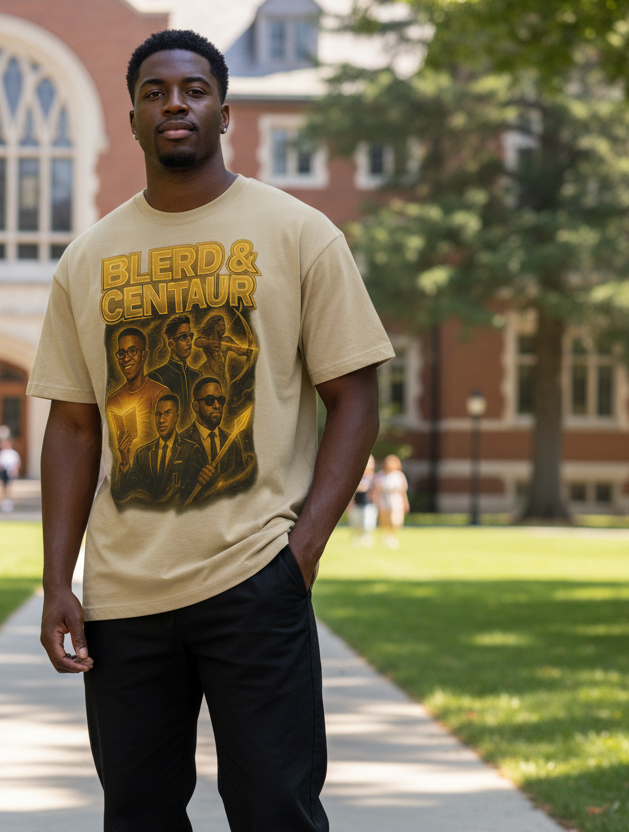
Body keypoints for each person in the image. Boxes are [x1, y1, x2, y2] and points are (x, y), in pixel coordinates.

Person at [27, 29, 394, 831]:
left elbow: (356, 396)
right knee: (139, 813)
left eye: (192, 90)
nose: (174, 105)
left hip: (254, 576)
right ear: (132, 119)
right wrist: (61, 579)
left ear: (224, 112)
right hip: (124, 597)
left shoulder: (299, 233)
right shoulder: (87, 259)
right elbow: (74, 425)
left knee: (274, 810)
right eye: (155, 92)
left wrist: (301, 552)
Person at [114, 393, 211, 506]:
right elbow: (128, 492)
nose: (161, 420)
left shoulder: (191, 450)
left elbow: (198, 496)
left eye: (167, 413)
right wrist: (124, 460)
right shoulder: (142, 454)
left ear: (177, 417)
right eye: (158, 414)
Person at [106, 327, 170, 470]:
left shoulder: (160, 394)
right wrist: (124, 458)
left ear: (144, 355)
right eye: (121, 353)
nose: (126, 358)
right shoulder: (112, 401)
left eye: (133, 351)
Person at [179, 376, 246, 502]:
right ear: (195, 406)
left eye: (221, 400)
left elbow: (241, 486)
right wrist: (194, 482)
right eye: (209, 400)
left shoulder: (232, 443)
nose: (217, 405)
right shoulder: (180, 443)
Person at [148, 314, 201, 424]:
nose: (189, 341)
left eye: (190, 335)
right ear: (171, 344)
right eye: (183, 337)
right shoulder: (156, 377)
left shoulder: (197, 376)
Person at [373, 454, 410, 549]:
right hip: (383, 500)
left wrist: (405, 502)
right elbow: (376, 490)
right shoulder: (380, 475)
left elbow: (402, 491)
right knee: (384, 520)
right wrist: (376, 501)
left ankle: (393, 536)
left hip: (395, 501)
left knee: (395, 520)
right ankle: (385, 536)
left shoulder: (399, 476)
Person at [349, 454, 377, 547]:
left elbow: (374, 491)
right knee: (356, 522)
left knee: (367, 522)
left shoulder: (372, 477)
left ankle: (366, 538)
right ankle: (356, 538)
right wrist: (351, 503)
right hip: (357, 504)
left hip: (368, 504)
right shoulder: (356, 477)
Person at [0, 439, 21, 512]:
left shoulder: (13, 453)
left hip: (10, 472)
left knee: (9, 487)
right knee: (2, 487)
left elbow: (17, 464)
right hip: (2, 471)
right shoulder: (0, 453)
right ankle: (2, 502)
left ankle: (9, 502)